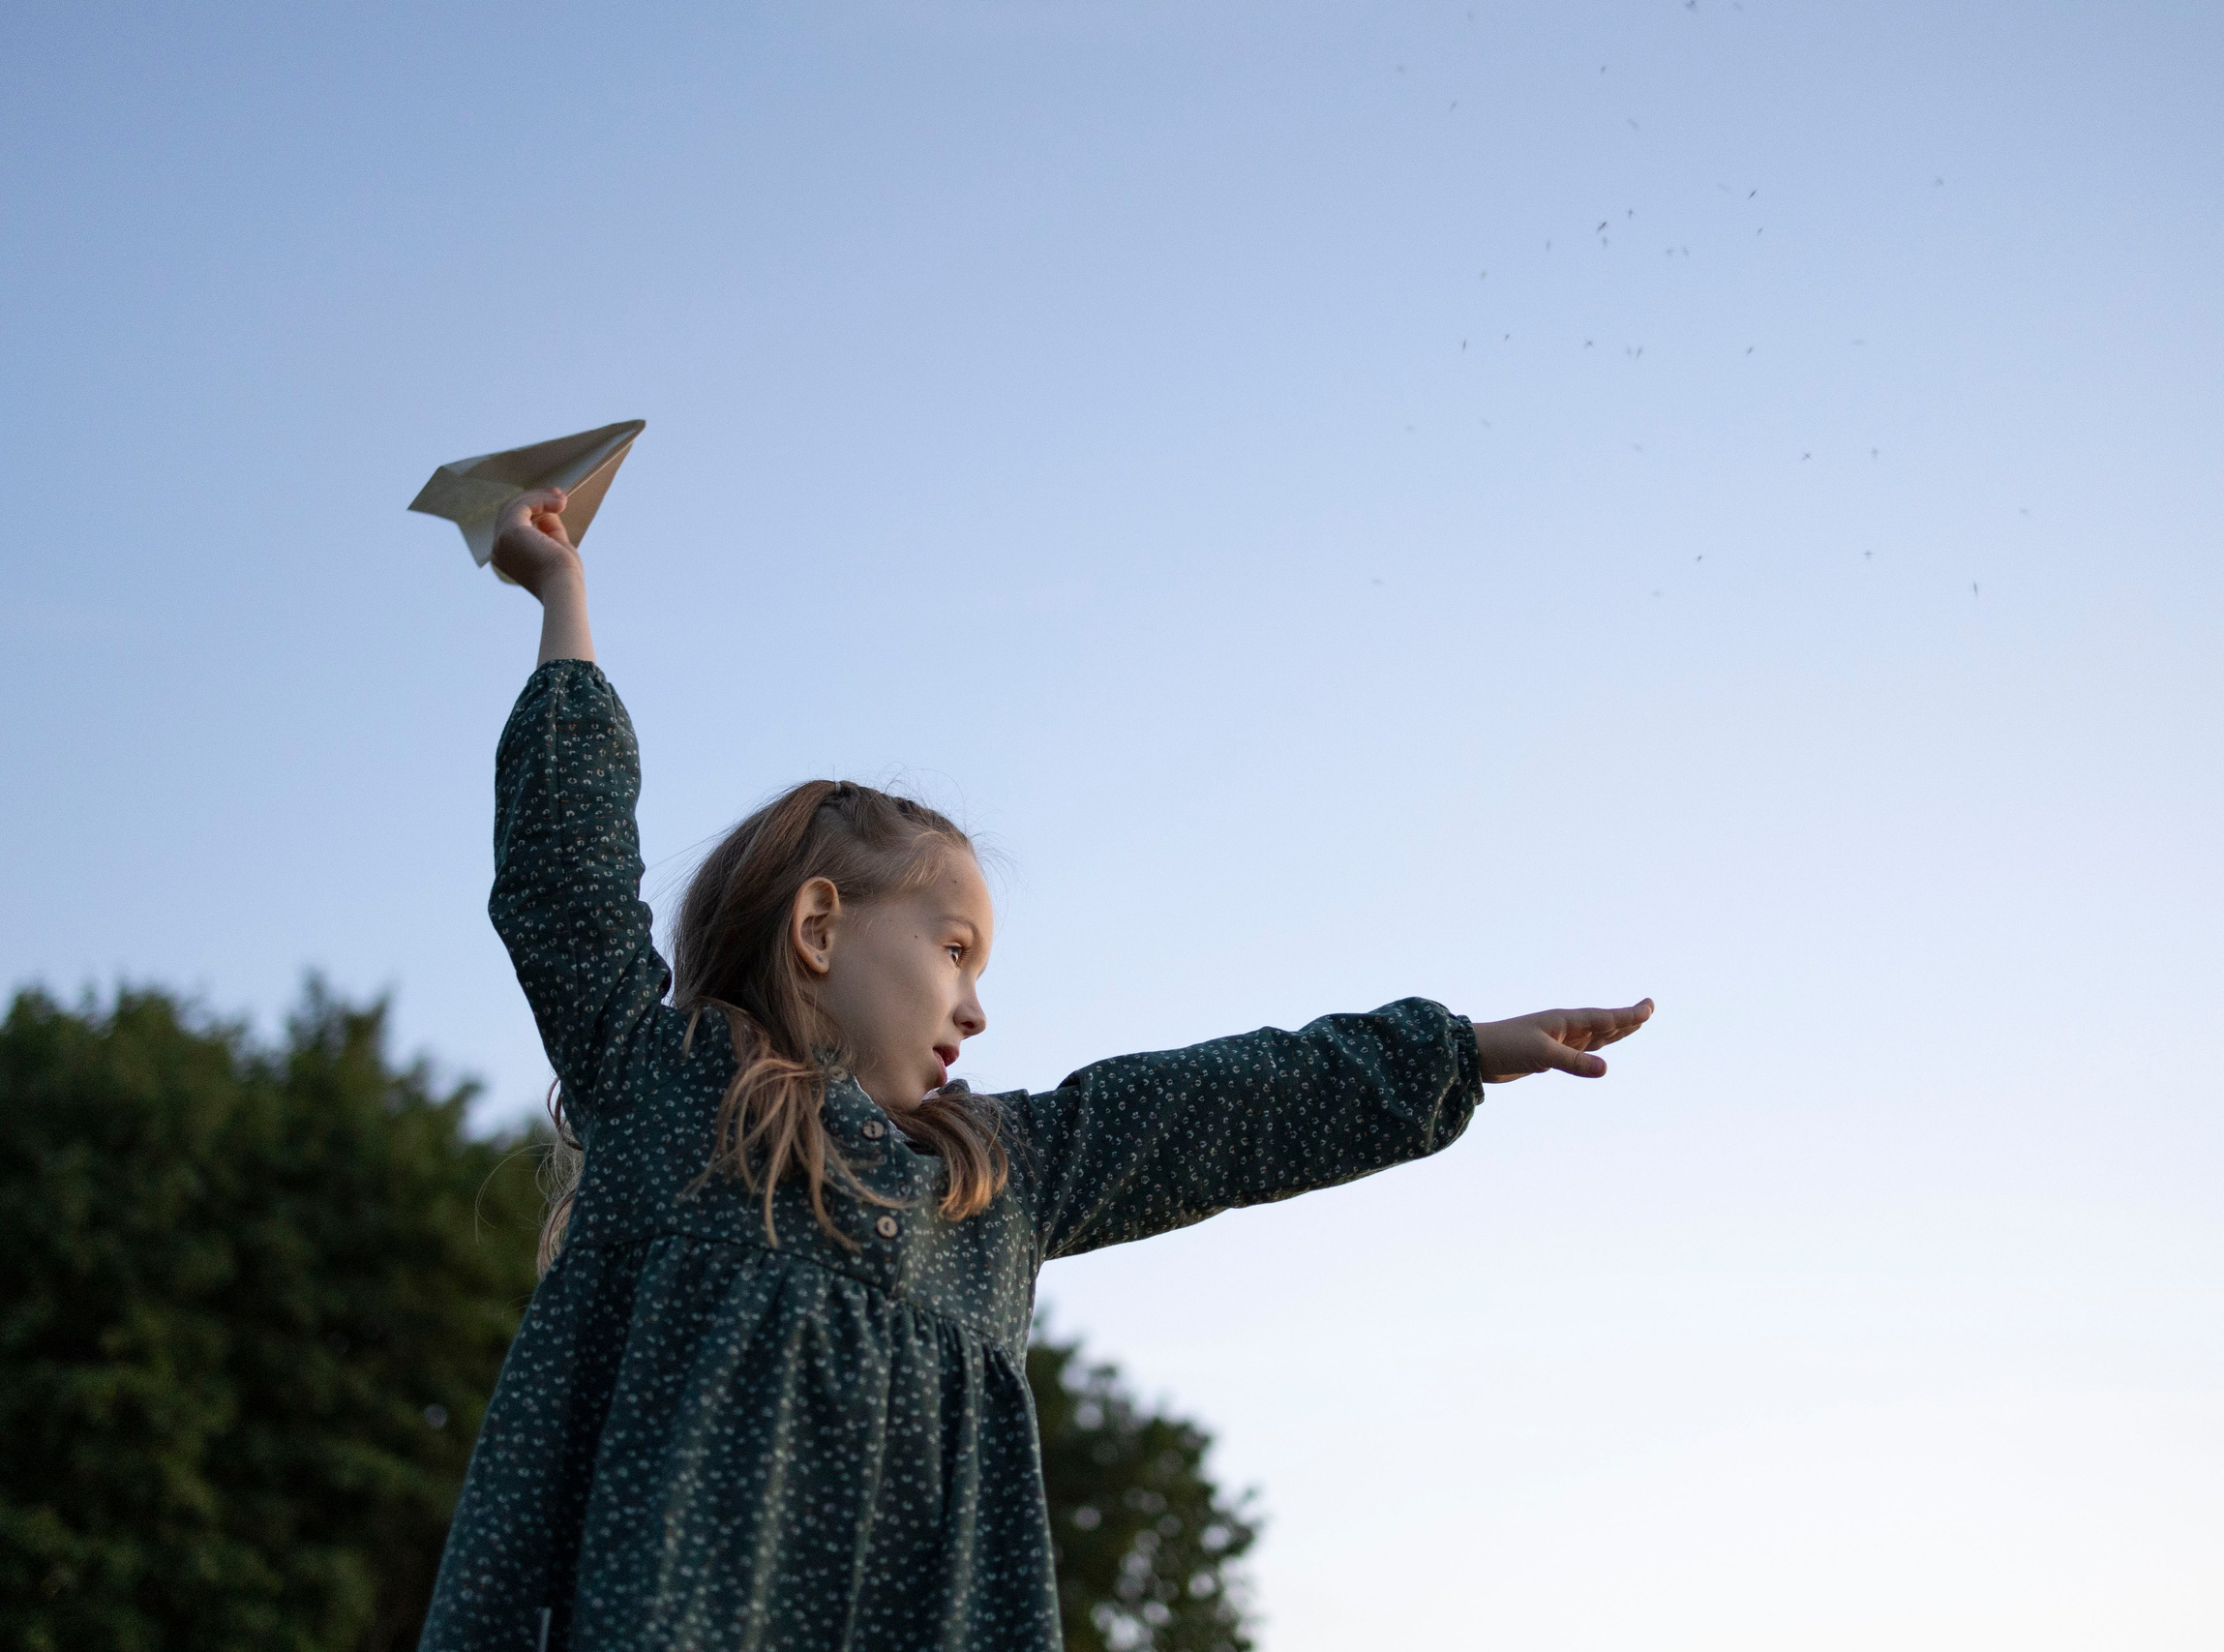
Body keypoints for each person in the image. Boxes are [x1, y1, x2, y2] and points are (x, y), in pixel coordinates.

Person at [418, 486, 1654, 1652]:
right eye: (954, 950)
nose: (975, 1007)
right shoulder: (668, 1084)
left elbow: (1222, 1103)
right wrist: (562, 595)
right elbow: (565, 869)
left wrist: (1458, 1052)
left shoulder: (997, 1181)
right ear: (819, 928)